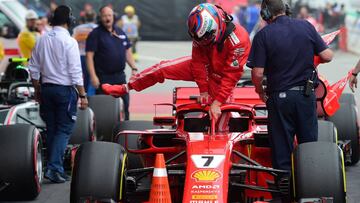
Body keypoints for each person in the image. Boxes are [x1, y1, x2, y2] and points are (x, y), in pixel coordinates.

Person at [102, 3, 251, 123]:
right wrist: (203, 91)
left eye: (206, 37)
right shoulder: (200, 35)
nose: (203, 42)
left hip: (222, 77)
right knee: (161, 68)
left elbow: (231, 76)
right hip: (204, 66)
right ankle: (126, 87)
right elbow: (198, 62)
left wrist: (217, 102)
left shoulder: (239, 40)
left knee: (221, 120)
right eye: (199, 39)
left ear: (216, 25)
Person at [247, 0, 333, 199]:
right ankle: (311, 185)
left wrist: (260, 91)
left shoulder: (263, 35)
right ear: (285, 9)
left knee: (281, 144)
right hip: (305, 95)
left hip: (279, 98)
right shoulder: (306, 26)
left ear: (266, 12)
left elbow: (258, 73)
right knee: (308, 144)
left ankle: (284, 185)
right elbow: (327, 56)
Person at [28, 5, 88, 183]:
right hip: (64, 91)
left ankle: (57, 168)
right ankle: (54, 168)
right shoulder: (69, 41)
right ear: (69, 20)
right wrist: (83, 95)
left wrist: (38, 90)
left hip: (46, 89)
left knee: (53, 128)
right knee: (64, 129)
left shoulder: (42, 39)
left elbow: (33, 68)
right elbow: (75, 71)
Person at [86, 6, 138, 120]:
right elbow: (89, 57)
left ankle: (124, 129)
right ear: (100, 17)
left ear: (113, 16)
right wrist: (93, 76)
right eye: (104, 16)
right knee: (104, 108)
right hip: (104, 78)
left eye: (109, 15)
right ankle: (103, 133)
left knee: (125, 105)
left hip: (120, 77)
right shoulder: (95, 34)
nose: (107, 18)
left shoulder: (120, 32)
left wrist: (134, 68)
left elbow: (127, 51)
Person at [73, 12, 97, 96]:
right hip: (94, 56)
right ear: (94, 17)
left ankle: (83, 93)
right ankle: (91, 96)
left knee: (82, 77)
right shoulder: (97, 28)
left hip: (80, 55)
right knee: (93, 76)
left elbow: (73, 42)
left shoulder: (78, 29)